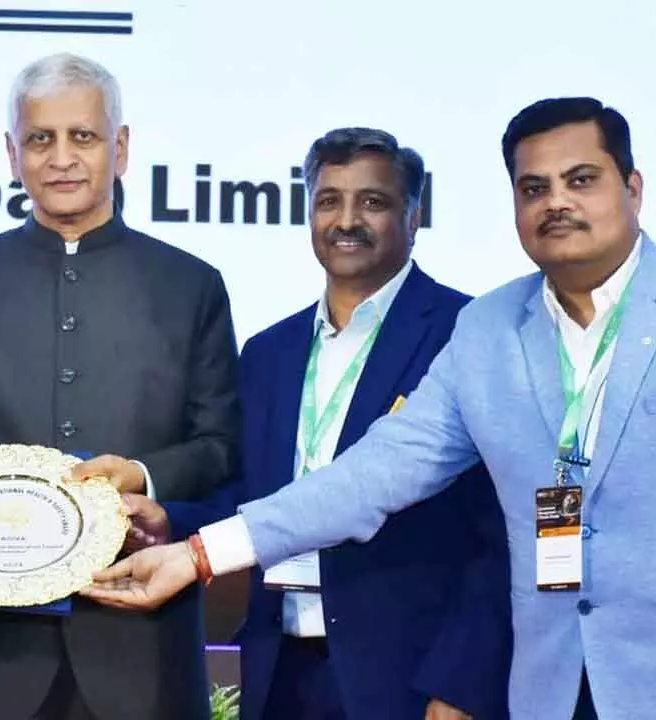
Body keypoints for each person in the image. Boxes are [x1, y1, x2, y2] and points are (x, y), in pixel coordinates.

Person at [78, 97, 656, 720]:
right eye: (534, 188)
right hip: (542, 689)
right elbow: (372, 475)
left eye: (582, 180)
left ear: (632, 190)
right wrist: (198, 553)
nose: (557, 203)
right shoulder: (489, 329)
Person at [120, 127, 512, 720]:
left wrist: (459, 684)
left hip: (410, 677)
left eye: (372, 201)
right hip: (280, 669)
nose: (346, 220)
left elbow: (499, 532)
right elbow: (253, 499)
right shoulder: (268, 351)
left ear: (415, 214)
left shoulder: (467, 332)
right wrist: (168, 520)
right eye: (329, 200)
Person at [0, 53, 239, 720]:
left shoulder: (191, 285)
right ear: (11, 153)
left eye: (82, 137)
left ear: (121, 147)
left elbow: (223, 448)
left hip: (142, 653)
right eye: (39, 139)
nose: (61, 158)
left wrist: (144, 476)